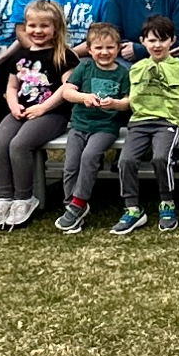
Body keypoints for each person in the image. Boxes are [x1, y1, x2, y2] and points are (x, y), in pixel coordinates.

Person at [0, 0, 76, 231]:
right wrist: (13, 106)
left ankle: (25, 198)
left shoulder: (63, 56)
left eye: (44, 26)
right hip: (21, 111)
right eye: (32, 26)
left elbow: (67, 89)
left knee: (20, 145)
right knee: (0, 143)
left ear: (56, 28)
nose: (37, 31)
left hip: (52, 114)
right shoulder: (20, 56)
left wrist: (43, 108)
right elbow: (12, 87)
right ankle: (4, 197)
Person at [110, 15, 179, 236]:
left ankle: (167, 203)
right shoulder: (136, 68)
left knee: (160, 158)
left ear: (172, 41)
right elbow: (133, 99)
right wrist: (114, 103)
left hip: (167, 122)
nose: (157, 45)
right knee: (126, 160)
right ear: (142, 41)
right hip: (139, 122)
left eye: (162, 40)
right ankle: (133, 208)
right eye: (151, 40)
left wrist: (155, 71)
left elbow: (174, 97)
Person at [54, 22, 132, 233]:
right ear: (89, 49)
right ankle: (72, 206)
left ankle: (78, 203)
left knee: (89, 157)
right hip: (80, 125)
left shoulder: (123, 73)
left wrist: (115, 104)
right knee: (71, 164)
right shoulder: (85, 67)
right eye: (98, 48)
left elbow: (128, 101)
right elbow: (67, 92)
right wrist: (84, 97)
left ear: (118, 49)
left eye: (109, 48)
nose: (104, 52)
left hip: (106, 127)